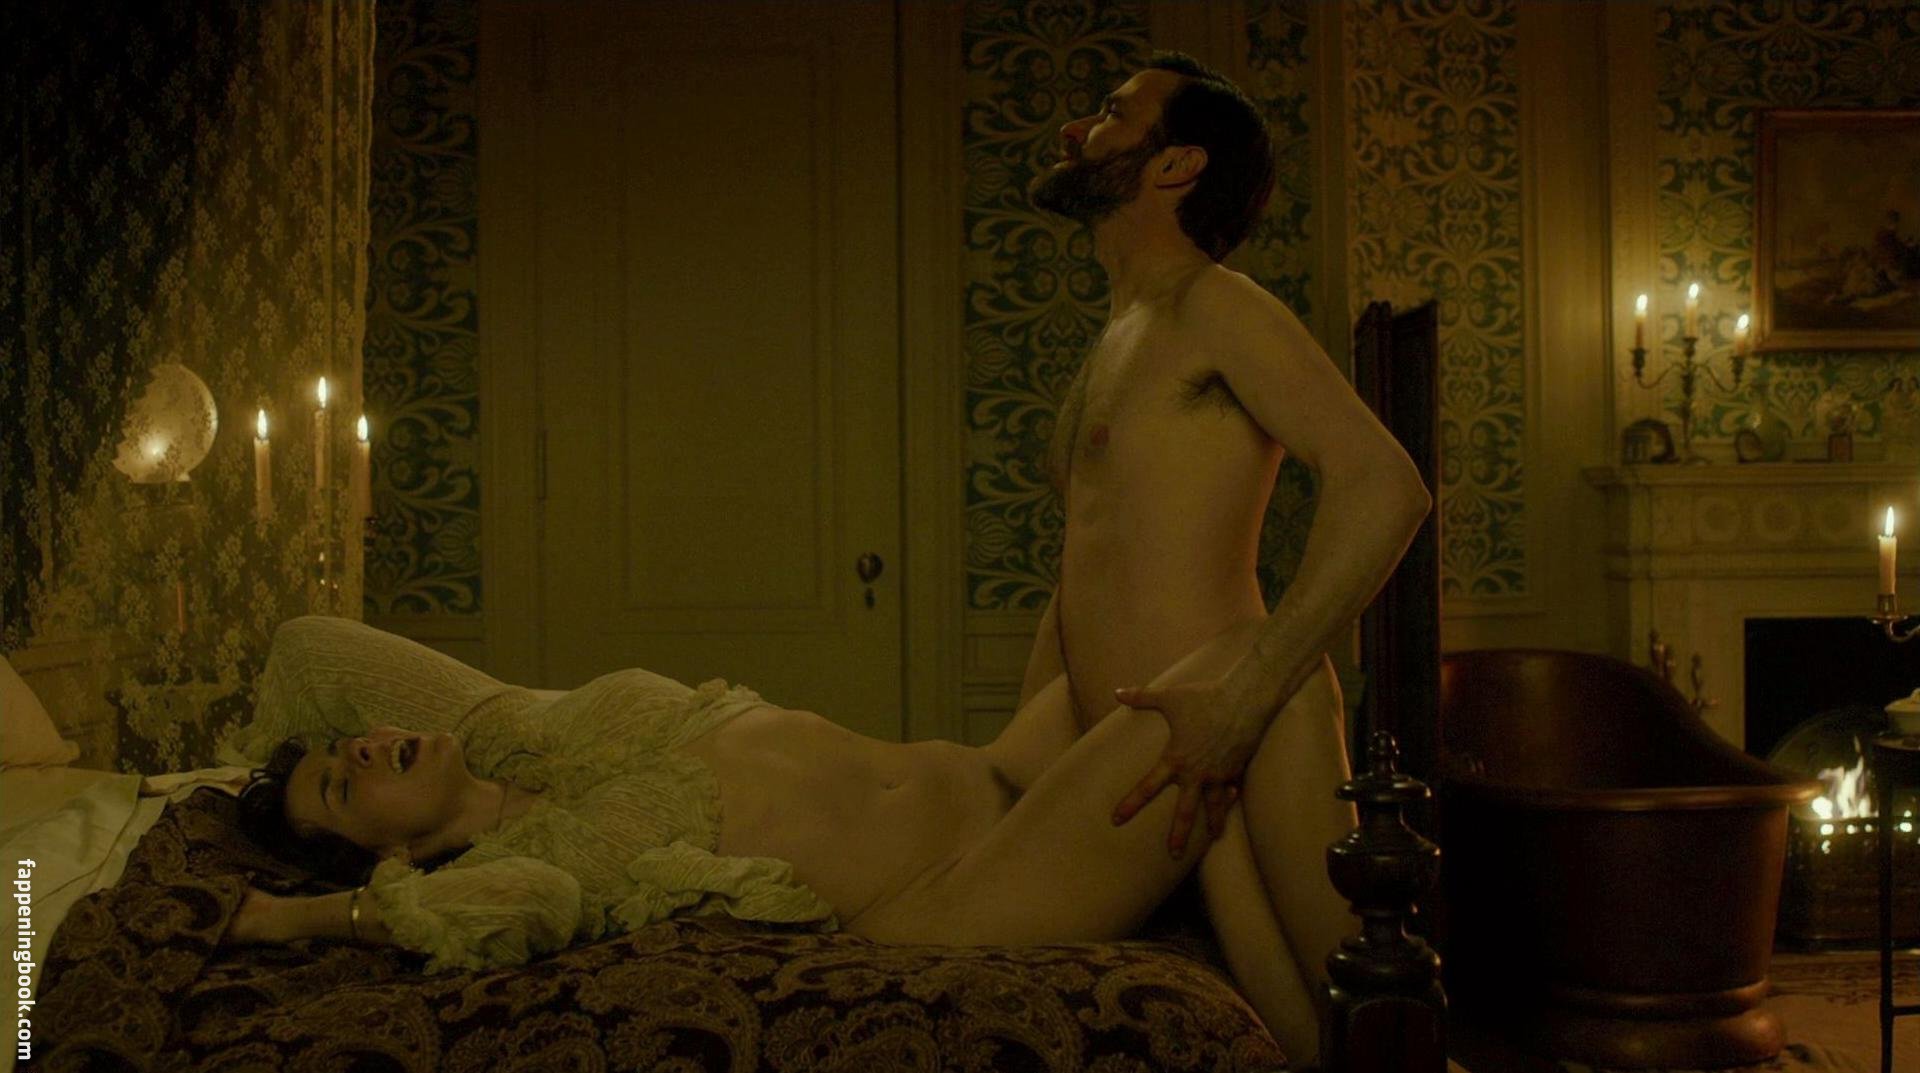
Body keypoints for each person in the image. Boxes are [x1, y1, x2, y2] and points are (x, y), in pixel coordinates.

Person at [996, 51, 1432, 1062]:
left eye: (1110, 113)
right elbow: (1085, 570)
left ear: (1175, 164)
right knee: (1291, 1032)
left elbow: (1386, 484)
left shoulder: (1217, 304)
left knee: (1367, 1028)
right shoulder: (1122, 332)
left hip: (1247, 726)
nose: (1075, 131)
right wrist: (1024, 764)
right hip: (1151, 752)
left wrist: (1244, 702)